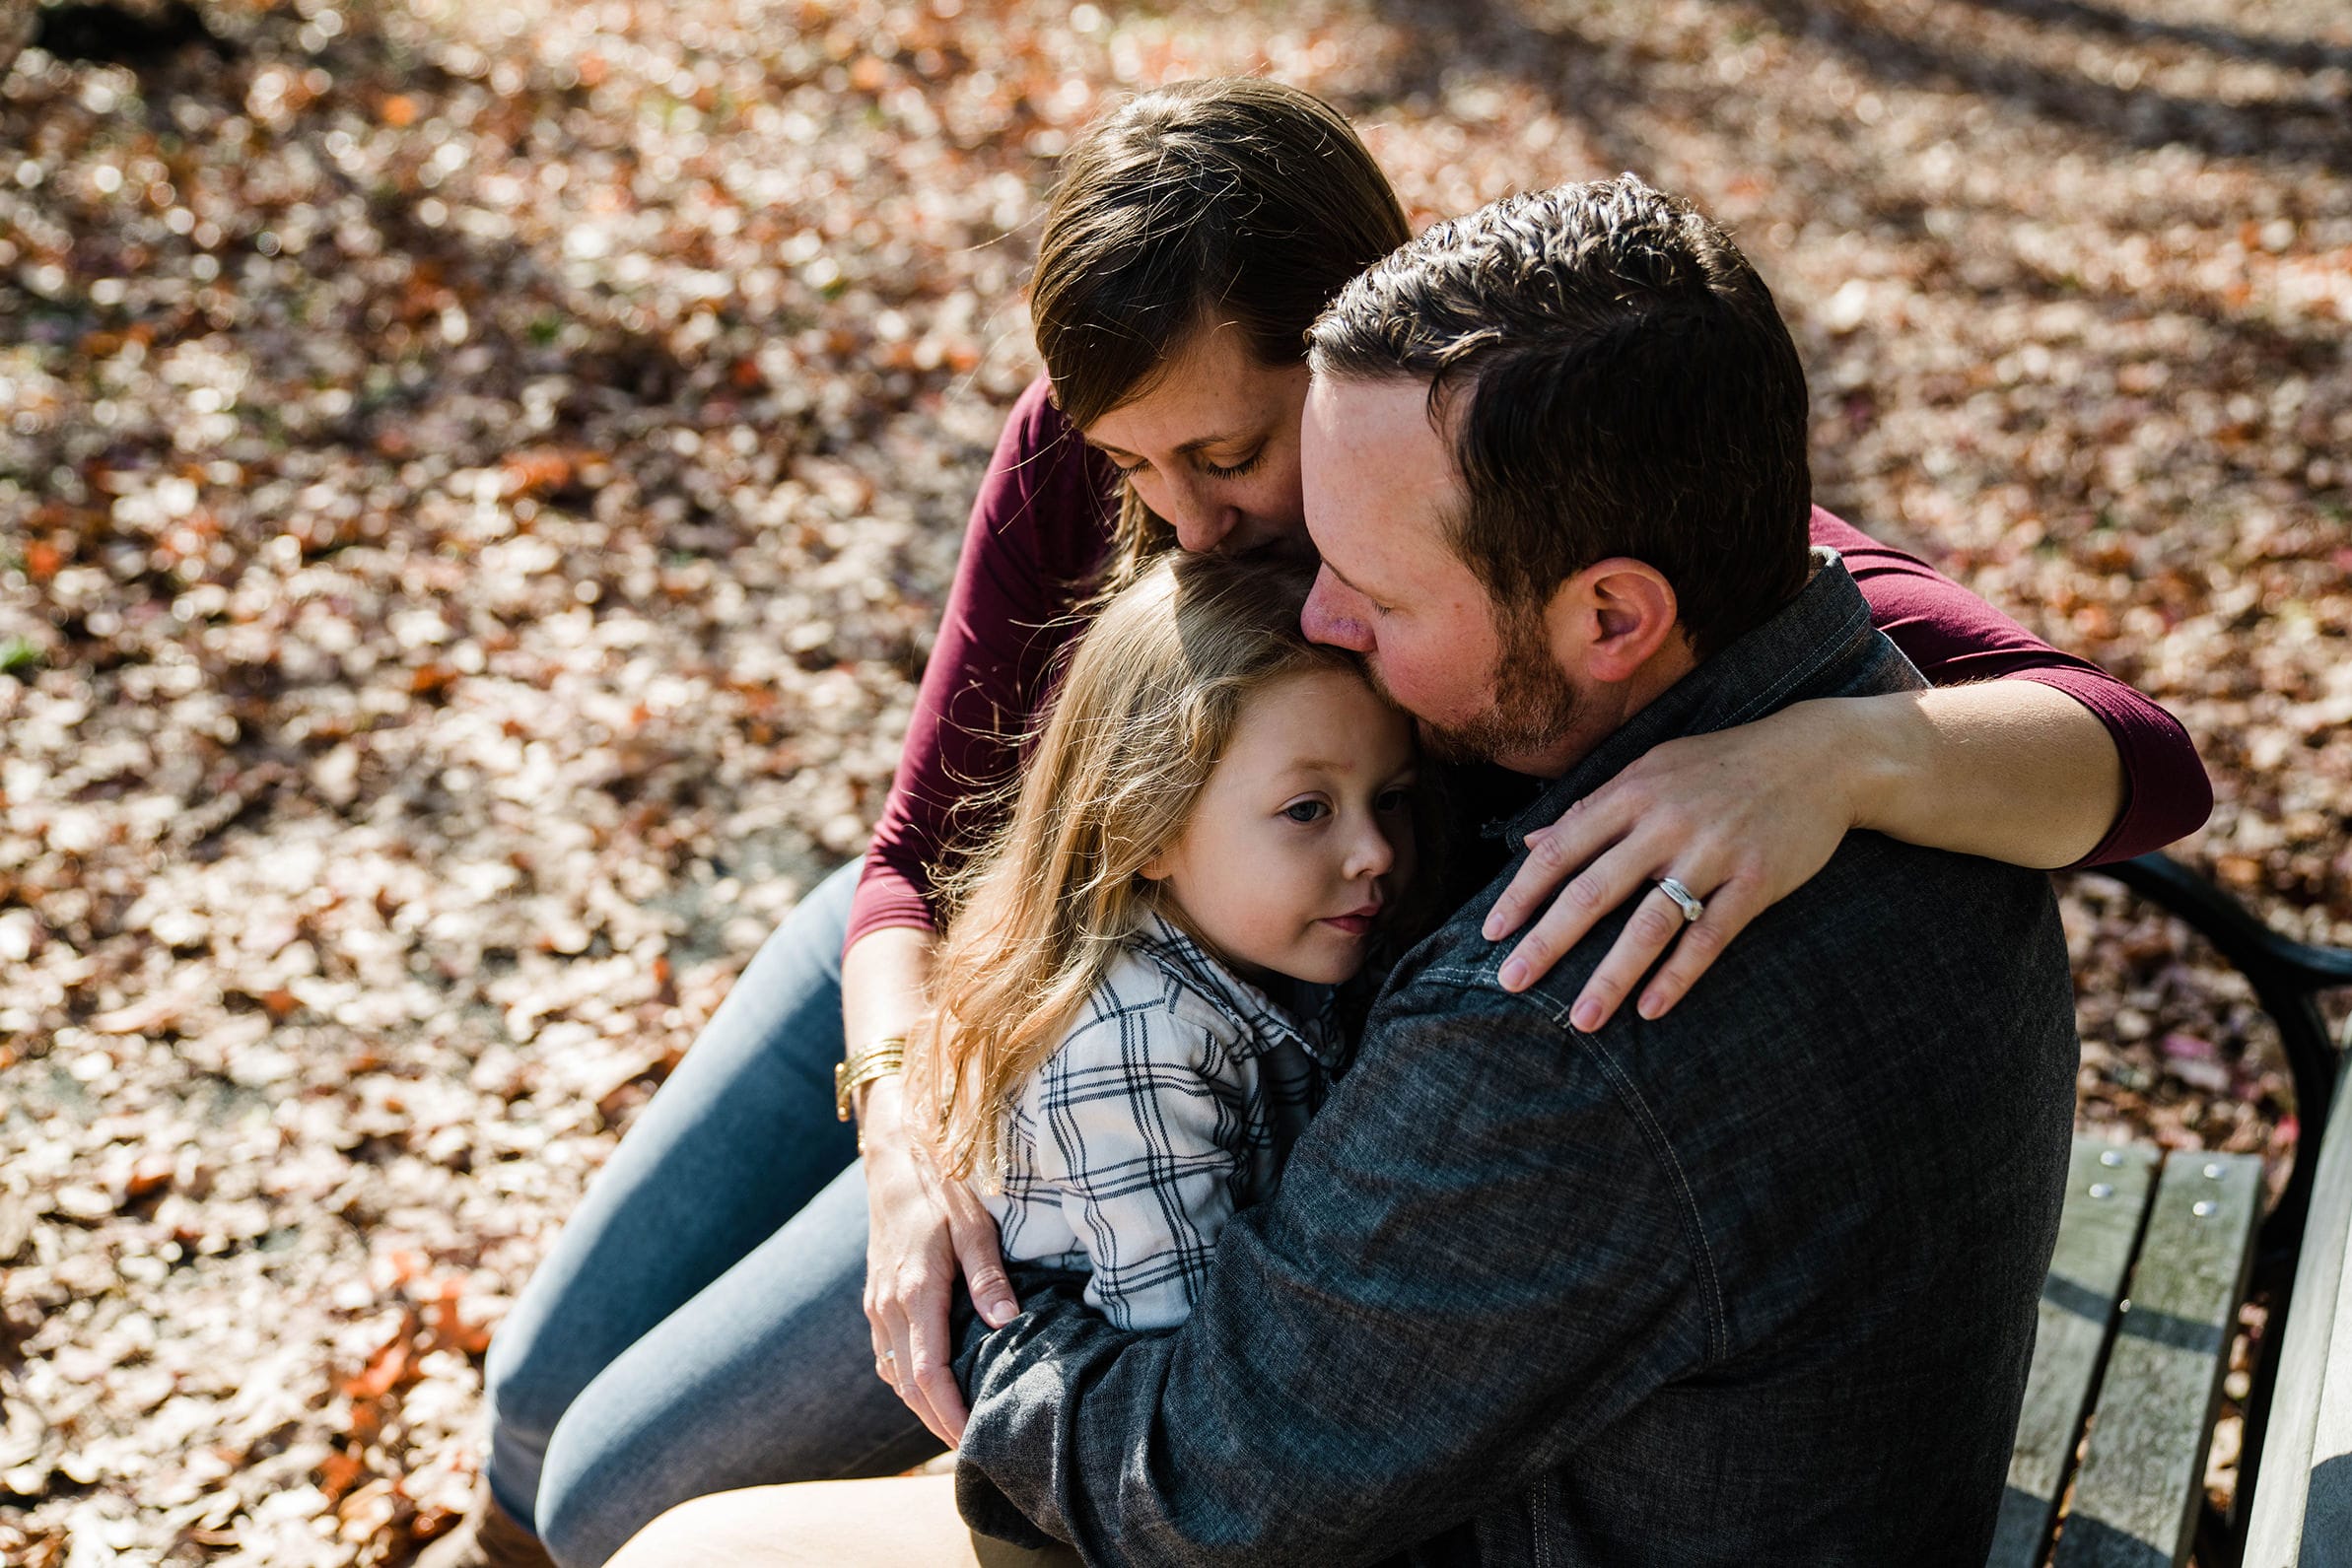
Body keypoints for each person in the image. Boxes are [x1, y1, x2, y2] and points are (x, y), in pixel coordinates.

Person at [436, 80, 2210, 1568]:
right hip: (1011, 977)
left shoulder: (1606, 552)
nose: (1192, 524)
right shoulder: (1122, 454)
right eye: (1141, 466)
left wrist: (1837, 761)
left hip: (1220, 1049)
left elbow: (2133, 750)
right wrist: (918, 1132)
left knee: (620, 1500)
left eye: (1233, 457)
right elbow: (918, 852)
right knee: (533, 1420)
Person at [917, 551, 1416, 1335]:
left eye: (1390, 798)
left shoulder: (1279, 958)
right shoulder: (1140, 1042)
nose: (1377, 849)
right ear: (1147, 826)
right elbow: (1188, 1353)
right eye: (1308, 809)